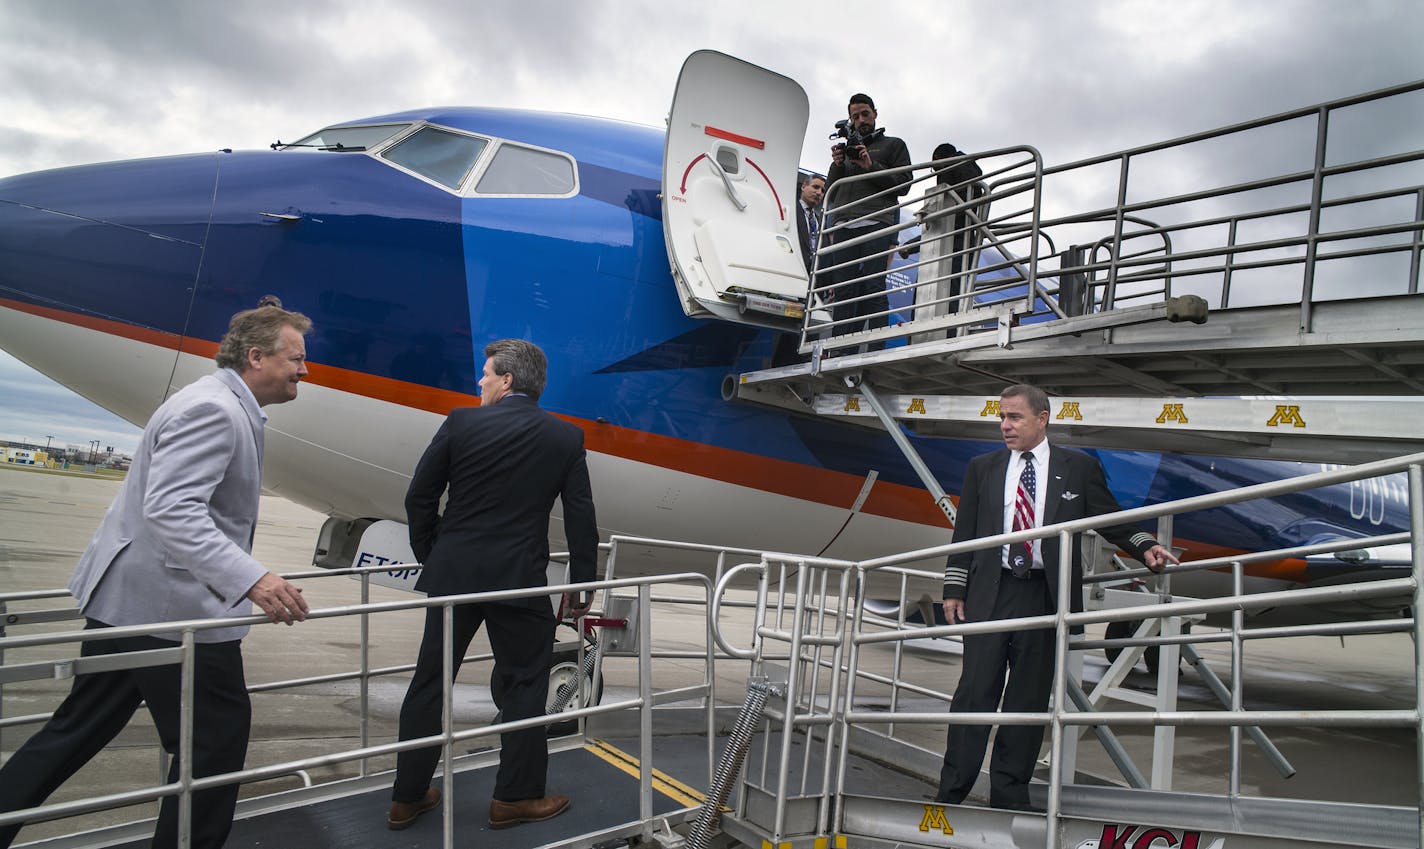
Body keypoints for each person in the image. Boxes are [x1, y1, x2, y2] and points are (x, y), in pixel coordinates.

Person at [0, 301, 313, 849]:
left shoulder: (216, 401)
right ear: (257, 356)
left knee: (77, 729)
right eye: (296, 358)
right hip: (173, 612)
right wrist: (253, 580)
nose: (304, 371)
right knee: (213, 747)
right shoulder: (214, 410)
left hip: (133, 604)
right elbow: (172, 509)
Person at [388, 338, 599, 831]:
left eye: (486, 374)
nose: (479, 381)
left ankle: (406, 797)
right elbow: (581, 520)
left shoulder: (461, 422)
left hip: (454, 576)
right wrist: (580, 586)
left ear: (506, 380)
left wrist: (435, 556)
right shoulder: (566, 437)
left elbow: (419, 496)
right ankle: (514, 799)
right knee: (526, 682)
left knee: (429, 682)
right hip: (518, 580)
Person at [936, 384, 1178, 811]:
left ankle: (1008, 797)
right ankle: (951, 793)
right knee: (975, 694)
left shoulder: (1078, 468)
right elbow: (966, 532)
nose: (1004, 426)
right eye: (1001, 417)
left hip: (1045, 597)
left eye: (1014, 417)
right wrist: (955, 588)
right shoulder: (984, 467)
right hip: (991, 593)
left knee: (1027, 701)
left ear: (1042, 419)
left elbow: (1109, 517)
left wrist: (1143, 545)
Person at [823, 93, 912, 347]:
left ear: (875, 113)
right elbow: (831, 191)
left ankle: (875, 348)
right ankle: (840, 348)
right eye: (855, 116)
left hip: (876, 222)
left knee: (873, 286)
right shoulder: (847, 149)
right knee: (844, 290)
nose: (861, 119)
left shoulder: (894, 145)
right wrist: (838, 164)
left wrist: (870, 165)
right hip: (844, 224)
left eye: (865, 114)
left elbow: (904, 184)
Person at [796, 173, 826, 274]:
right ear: (803, 187)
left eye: (822, 191)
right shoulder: (791, 210)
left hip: (814, 276)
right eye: (815, 187)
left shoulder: (821, 221)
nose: (819, 193)